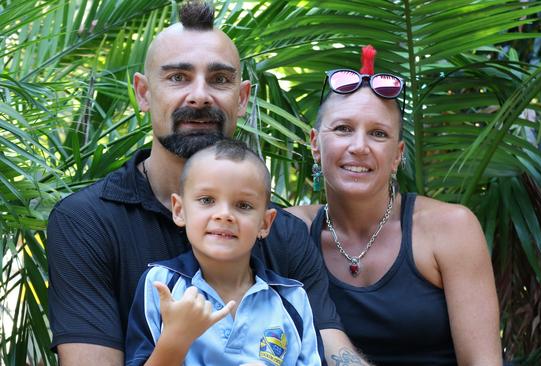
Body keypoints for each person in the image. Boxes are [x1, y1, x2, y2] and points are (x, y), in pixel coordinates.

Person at [46, 2, 367, 365]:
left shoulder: (284, 235)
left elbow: (331, 348)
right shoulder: (87, 222)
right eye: (178, 77)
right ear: (143, 93)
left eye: (219, 80)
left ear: (242, 97)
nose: (199, 96)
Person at [287, 46, 503, 365]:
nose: (359, 147)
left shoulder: (451, 228)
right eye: (344, 129)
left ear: (398, 154)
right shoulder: (287, 231)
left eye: (378, 133)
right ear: (315, 144)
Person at [125, 139, 322, 365]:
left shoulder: (291, 299)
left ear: (265, 224)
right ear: (179, 211)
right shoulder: (162, 286)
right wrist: (176, 338)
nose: (224, 215)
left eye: (243, 205)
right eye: (207, 200)